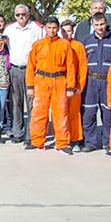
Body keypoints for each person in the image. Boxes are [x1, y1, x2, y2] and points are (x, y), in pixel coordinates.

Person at [25, 16, 76, 154]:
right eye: (49, 27)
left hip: (59, 81)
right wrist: (30, 86)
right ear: (45, 28)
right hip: (41, 80)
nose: (52, 30)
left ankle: (62, 143)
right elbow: (31, 66)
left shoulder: (65, 44)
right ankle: (37, 141)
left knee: (60, 113)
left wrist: (70, 87)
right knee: (38, 113)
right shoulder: (38, 45)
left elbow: (70, 67)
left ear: (58, 29)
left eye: (54, 28)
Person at [80, 12, 111, 154]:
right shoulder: (86, 40)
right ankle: (90, 142)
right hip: (90, 81)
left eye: (102, 24)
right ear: (92, 25)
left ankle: (108, 142)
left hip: (108, 82)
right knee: (88, 112)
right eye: (96, 25)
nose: (99, 27)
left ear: (106, 23)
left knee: (108, 113)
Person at [5, 4, 44, 144]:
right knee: (16, 102)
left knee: (31, 103)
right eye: (18, 15)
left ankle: (31, 134)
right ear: (14, 15)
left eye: (24, 14)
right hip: (14, 69)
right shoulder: (9, 29)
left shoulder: (37, 29)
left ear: (28, 14)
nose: (21, 17)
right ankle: (17, 132)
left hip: (31, 70)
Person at [60, 20, 87, 152]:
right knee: (60, 114)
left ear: (73, 31)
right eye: (63, 31)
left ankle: (74, 139)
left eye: (69, 31)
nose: (66, 34)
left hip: (74, 86)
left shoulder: (78, 46)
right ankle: (62, 139)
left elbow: (82, 68)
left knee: (73, 114)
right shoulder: (57, 45)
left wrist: (80, 85)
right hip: (58, 85)